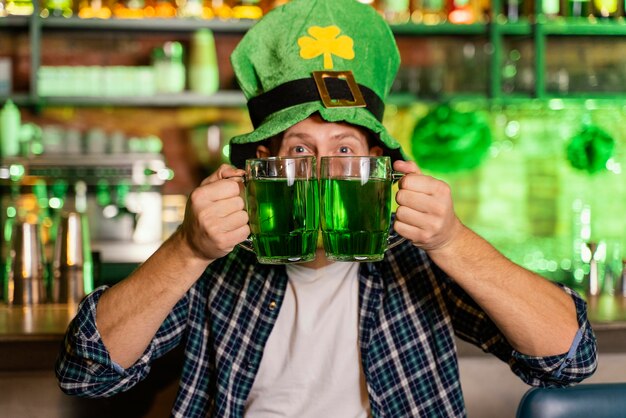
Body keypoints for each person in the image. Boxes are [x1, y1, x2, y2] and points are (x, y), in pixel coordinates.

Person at [55, 0, 598, 416]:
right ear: (263, 163)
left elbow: (568, 361)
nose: (321, 171)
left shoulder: (417, 254)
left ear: (380, 164)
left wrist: (453, 241)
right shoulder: (218, 255)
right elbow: (88, 374)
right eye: (300, 150)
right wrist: (187, 250)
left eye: (344, 150)